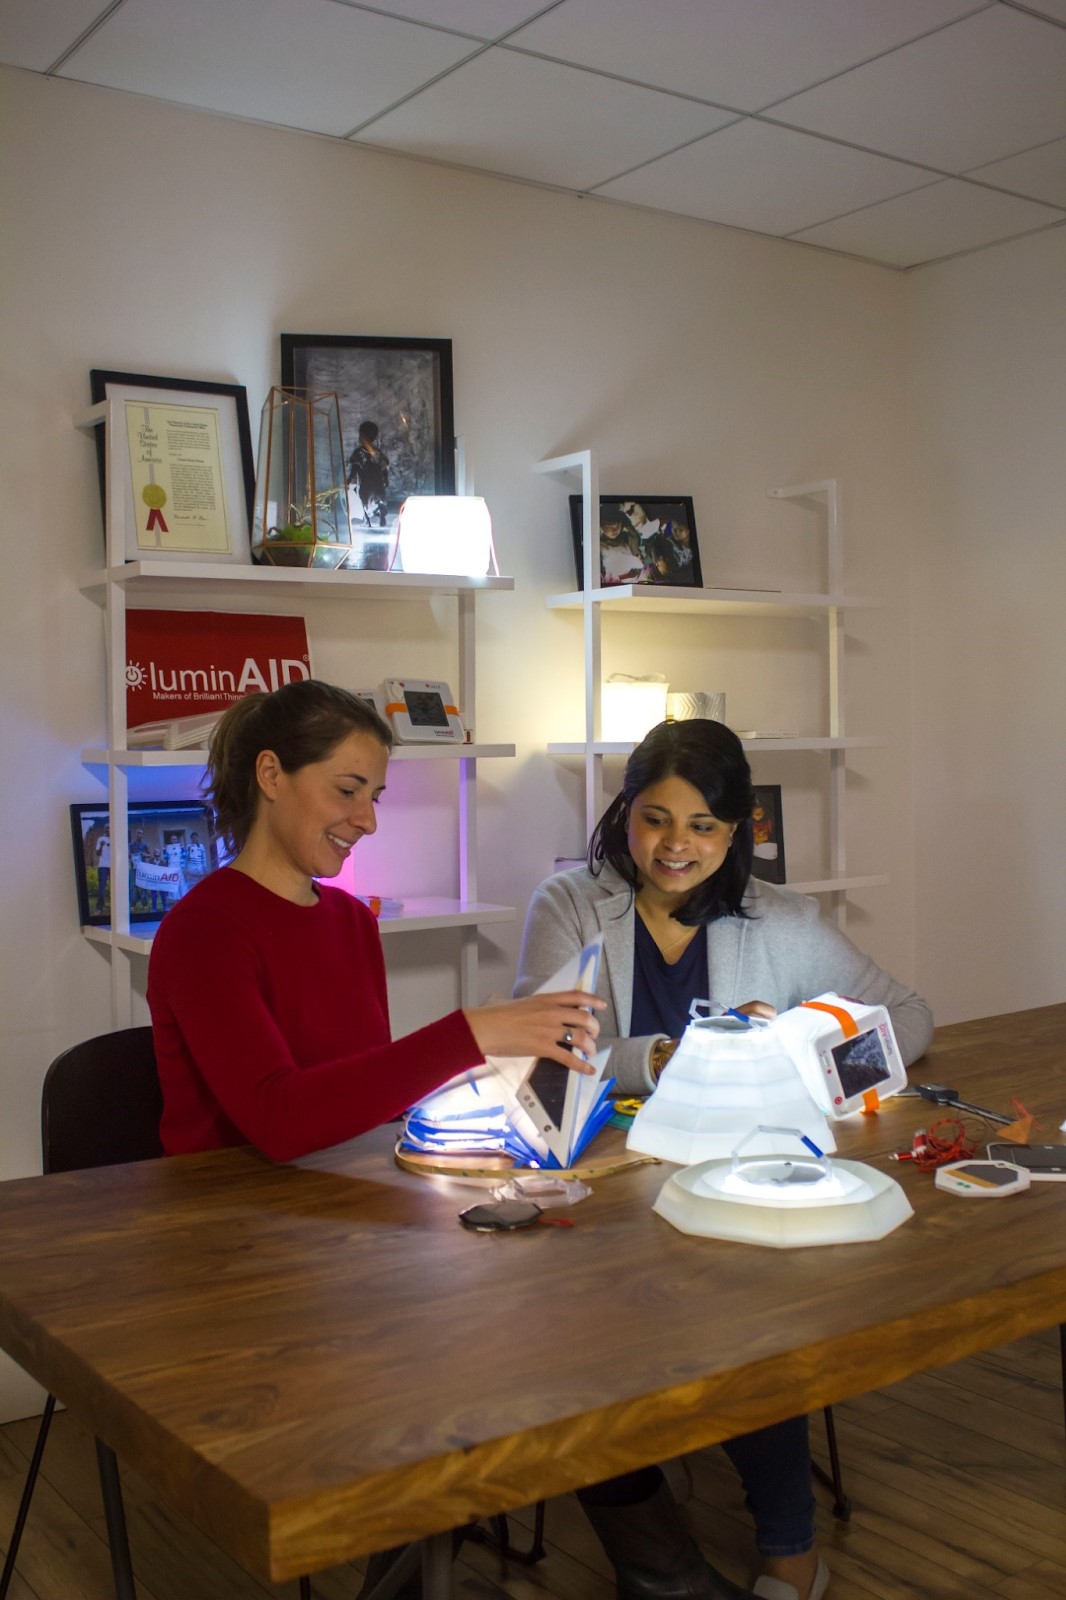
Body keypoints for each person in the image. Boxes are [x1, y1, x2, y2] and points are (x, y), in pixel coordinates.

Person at [514, 718, 934, 1600]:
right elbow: (552, 1044)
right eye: (654, 817)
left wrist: (805, 1041)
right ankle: (657, 1542)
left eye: (704, 825)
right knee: (586, 1335)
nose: (675, 846)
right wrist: (662, 1056)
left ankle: (790, 1551)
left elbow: (909, 1017)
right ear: (623, 812)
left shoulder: (779, 920)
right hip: (601, 1194)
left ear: (738, 828)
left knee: (754, 1309)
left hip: (731, 1183)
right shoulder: (569, 904)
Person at [148, 679, 603, 1163]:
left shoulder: (352, 922)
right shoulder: (204, 932)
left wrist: (480, 1069)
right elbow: (278, 1120)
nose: (368, 821)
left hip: (343, 1200)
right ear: (271, 775)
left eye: (375, 797)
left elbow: (360, 1097)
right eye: (347, 790)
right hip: (223, 1216)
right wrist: (469, 1035)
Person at [348, 420, 390, 529]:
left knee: (364, 499)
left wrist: (348, 480)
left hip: (366, 480)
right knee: (378, 498)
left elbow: (355, 468)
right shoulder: (378, 452)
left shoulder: (358, 452)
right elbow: (384, 467)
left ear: (362, 436)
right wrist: (385, 479)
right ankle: (381, 511)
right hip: (378, 481)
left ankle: (367, 520)